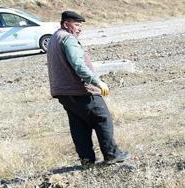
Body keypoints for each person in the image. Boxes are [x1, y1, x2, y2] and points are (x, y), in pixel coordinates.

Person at [47, 11, 130, 166]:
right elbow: (79, 65)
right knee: (102, 118)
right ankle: (112, 154)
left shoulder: (54, 38)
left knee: (79, 125)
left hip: (63, 92)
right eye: (77, 24)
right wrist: (98, 82)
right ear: (66, 24)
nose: (80, 29)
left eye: (80, 25)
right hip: (81, 90)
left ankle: (86, 160)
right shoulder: (68, 39)